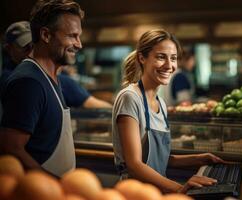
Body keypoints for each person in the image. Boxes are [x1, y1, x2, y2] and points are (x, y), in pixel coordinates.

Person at [112, 29, 226, 193]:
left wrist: (200, 158)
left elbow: (159, 159)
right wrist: (180, 189)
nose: (169, 65)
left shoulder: (161, 104)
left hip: (157, 190)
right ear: (142, 58)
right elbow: (135, 165)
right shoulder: (130, 98)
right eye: (160, 57)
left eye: (173, 58)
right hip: (135, 192)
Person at [0, 0, 84, 177]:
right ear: (46, 35)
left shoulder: (50, 76)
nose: (79, 44)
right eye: (72, 36)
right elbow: (11, 147)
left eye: (79, 36)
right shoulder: (29, 81)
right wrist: (52, 186)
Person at [0, 21, 112, 109]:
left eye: (33, 45)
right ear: (9, 49)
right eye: (25, 47)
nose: (31, 51)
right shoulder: (12, 78)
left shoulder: (55, 77)